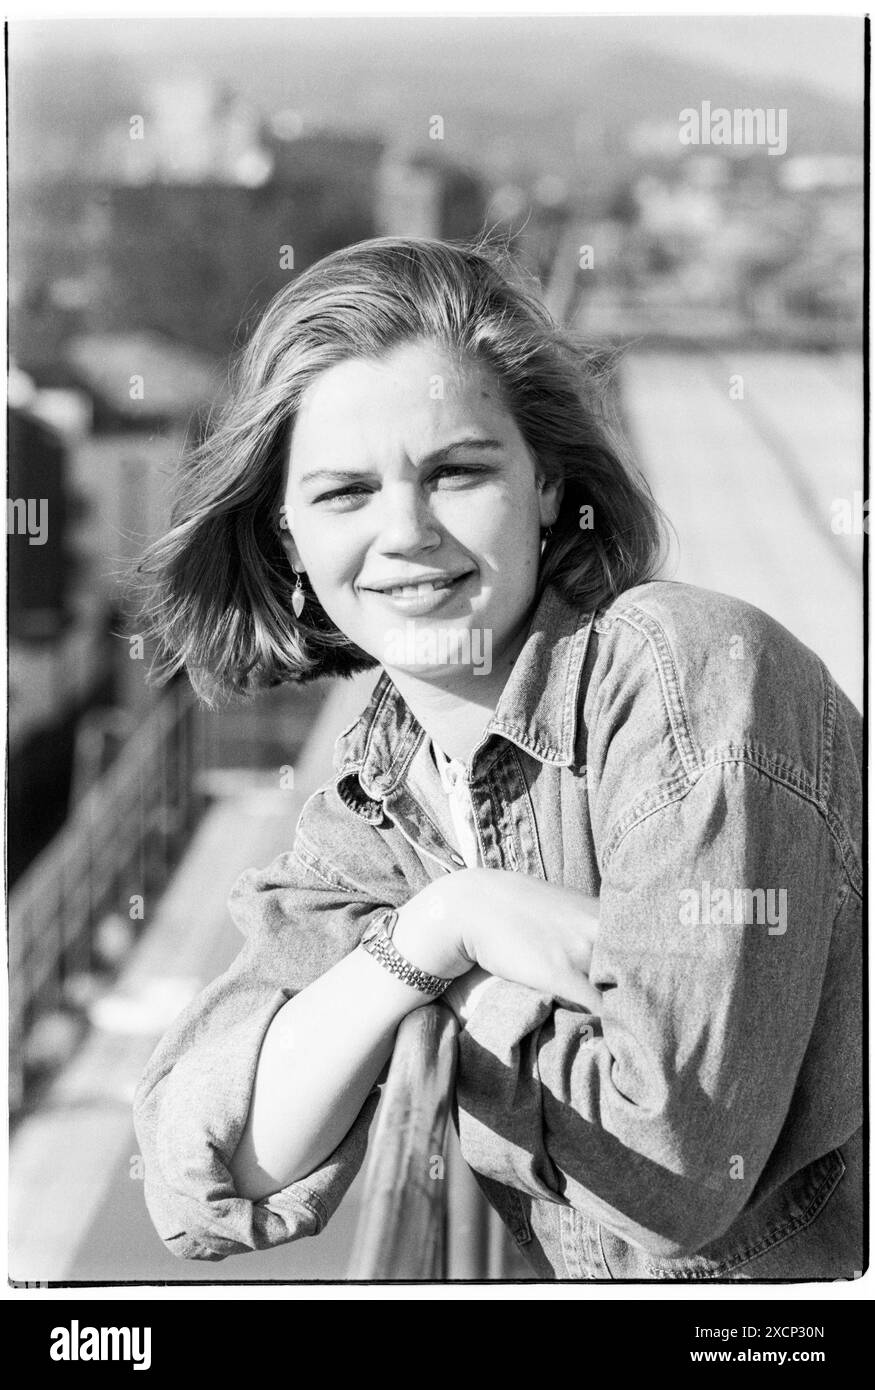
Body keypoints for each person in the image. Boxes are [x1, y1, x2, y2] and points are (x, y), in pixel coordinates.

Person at [133, 235, 863, 1280]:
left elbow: (674, 1166)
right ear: (287, 536)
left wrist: (436, 1006)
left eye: (457, 472)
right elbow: (198, 1165)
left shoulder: (687, 678)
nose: (406, 533)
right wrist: (441, 928)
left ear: (546, 479)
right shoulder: (374, 798)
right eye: (344, 493)